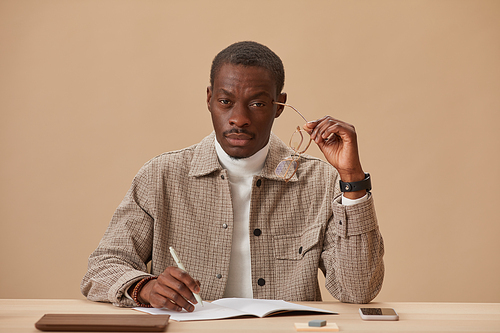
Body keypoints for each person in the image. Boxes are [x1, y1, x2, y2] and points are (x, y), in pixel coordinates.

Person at [81, 41, 384, 312]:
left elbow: (357, 290)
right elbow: (102, 267)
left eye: (257, 104)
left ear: (279, 105)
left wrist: (352, 177)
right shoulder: (161, 176)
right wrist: (144, 287)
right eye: (226, 101)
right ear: (210, 99)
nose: (239, 118)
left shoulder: (320, 181)